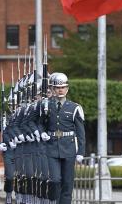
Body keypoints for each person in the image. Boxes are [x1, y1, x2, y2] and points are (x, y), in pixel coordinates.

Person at [41, 72, 85, 204]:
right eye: (58, 87)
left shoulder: (75, 108)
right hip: (52, 148)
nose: (60, 90)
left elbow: (80, 132)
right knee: (55, 180)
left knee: (67, 183)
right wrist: (41, 132)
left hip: (69, 148)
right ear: (53, 89)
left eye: (63, 87)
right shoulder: (46, 105)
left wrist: (81, 152)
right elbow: (39, 123)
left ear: (67, 89)